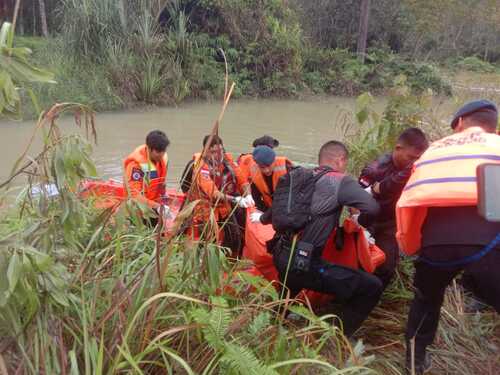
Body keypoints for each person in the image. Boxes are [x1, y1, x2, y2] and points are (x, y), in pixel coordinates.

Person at [396, 100, 500, 374]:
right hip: (489, 243)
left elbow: (410, 202)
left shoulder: (433, 151)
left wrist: (413, 247)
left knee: (426, 300)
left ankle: (415, 363)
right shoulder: (497, 146)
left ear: (460, 122)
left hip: (436, 245)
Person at [267, 141, 383, 336]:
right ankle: (339, 339)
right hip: (304, 264)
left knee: (290, 286)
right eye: (345, 163)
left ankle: (273, 323)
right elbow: (372, 208)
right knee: (372, 286)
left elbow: (268, 215)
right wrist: (358, 221)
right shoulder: (340, 180)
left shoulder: (299, 177)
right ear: (340, 160)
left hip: (280, 254)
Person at [359, 128, 429, 288]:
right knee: (359, 260)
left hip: (392, 223)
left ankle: (373, 296)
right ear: (398, 148)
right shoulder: (375, 169)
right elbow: (355, 199)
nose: (413, 163)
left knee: (386, 266)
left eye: (417, 159)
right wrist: (359, 225)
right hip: (368, 220)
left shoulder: (417, 169)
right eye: (411, 157)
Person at [187, 134, 253, 249]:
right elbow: (213, 193)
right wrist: (235, 199)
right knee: (208, 242)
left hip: (223, 206)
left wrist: (249, 195)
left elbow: (242, 179)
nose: (217, 155)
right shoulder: (201, 167)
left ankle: (230, 261)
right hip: (206, 209)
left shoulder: (227, 159)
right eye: (213, 152)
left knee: (234, 237)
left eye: (220, 151)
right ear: (205, 151)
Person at [123, 130, 170, 222]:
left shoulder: (162, 159)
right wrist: (156, 206)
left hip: (153, 207)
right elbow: (134, 196)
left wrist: (164, 194)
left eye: (163, 151)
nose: (161, 154)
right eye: (158, 151)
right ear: (149, 148)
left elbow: (161, 182)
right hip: (139, 211)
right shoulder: (135, 166)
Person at [247, 145, 293, 224]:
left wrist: (264, 218)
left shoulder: (287, 168)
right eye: (262, 167)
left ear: (274, 161)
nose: (266, 170)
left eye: (269, 166)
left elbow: (286, 199)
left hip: (288, 209)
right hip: (271, 210)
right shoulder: (254, 172)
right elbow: (256, 197)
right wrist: (264, 212)